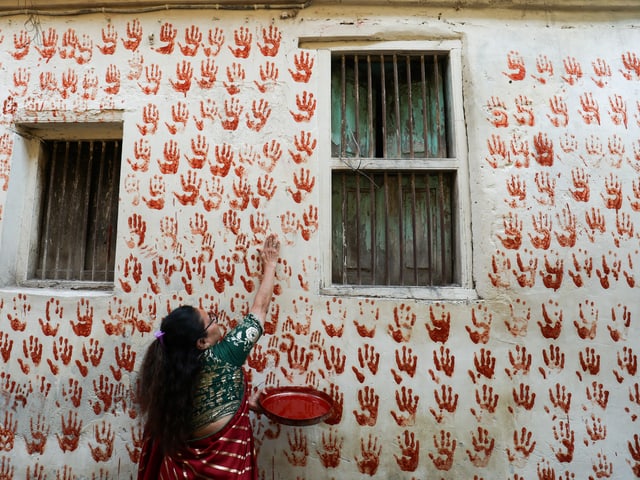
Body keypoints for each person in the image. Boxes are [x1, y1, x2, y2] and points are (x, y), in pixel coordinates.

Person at [136, 233, 281, 479]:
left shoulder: (167, 375)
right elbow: (259, 309)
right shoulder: (225, 357)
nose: (217, 319)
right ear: (202, 342)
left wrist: (244, 402)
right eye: (211, 319)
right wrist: (271, 265)